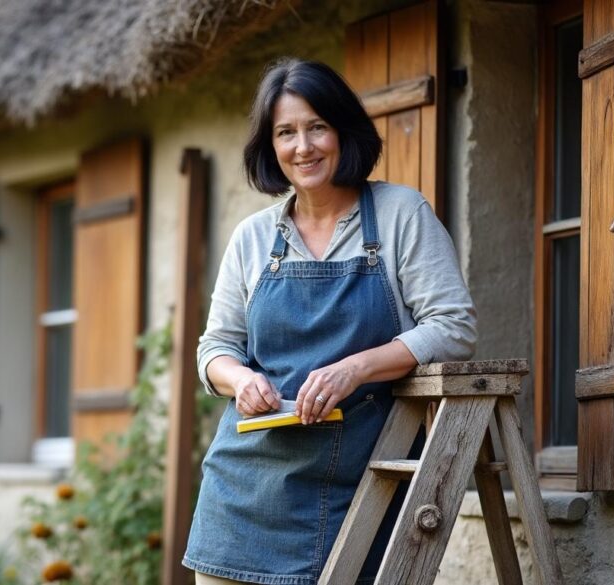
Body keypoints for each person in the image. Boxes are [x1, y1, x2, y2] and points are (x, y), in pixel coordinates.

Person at [181, 58, 477, 585]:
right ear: (270, 146)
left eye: (317, 126)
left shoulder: (400, 214)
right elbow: (215, 349)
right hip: (244, 490)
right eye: (286, 132)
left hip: (361, 484)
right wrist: (242, 379)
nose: (304, 146)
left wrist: (357, 368)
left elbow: (453, 329)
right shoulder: (252, 237)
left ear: (343, 130)